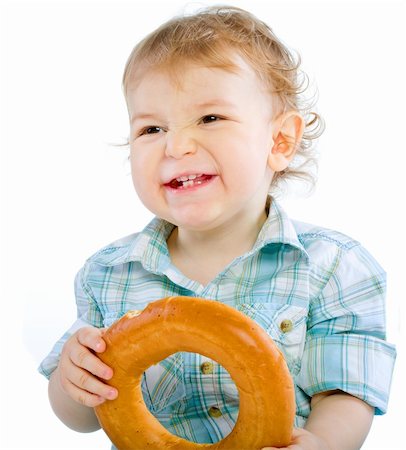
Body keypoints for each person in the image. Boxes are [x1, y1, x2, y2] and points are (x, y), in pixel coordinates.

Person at [38, 5, 396, 449]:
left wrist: (323, 443)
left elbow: (345, 394)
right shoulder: (108, 274)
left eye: (210, 118)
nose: (177, 145)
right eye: (151, 128)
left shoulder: (333, 266)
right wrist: (73, 380)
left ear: (279, 141)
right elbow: (81, 417)